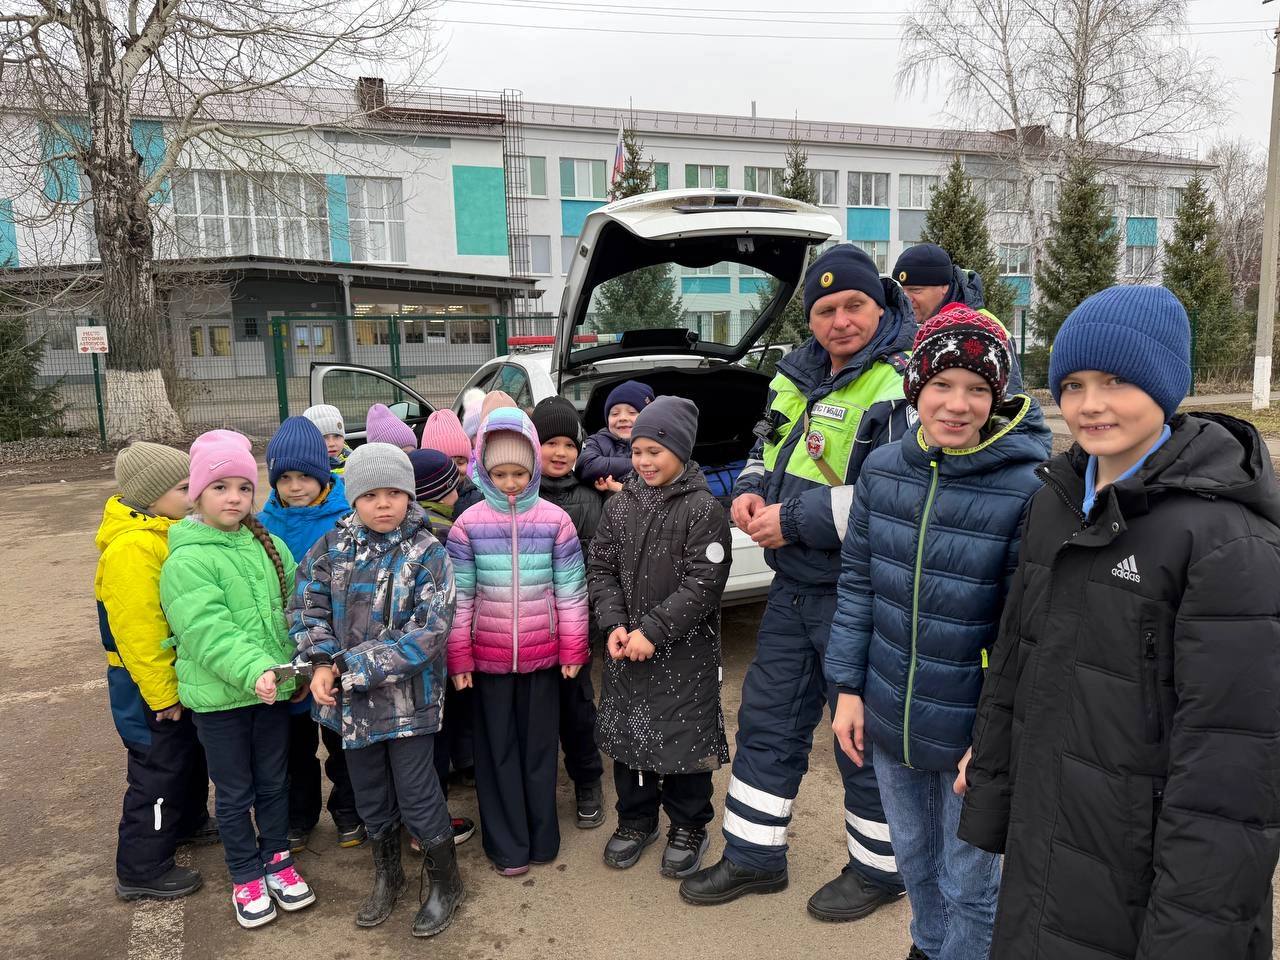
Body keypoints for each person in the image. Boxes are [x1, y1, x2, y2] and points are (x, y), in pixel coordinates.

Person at [960, 285, 1280, 959]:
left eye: (1116, 380)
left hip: (1145, 877)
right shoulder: (1054, 505)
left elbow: (1233, 764)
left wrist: (1193, 933)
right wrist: (992, 777)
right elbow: (1017, 656)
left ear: (1165, 384)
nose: (1090, 404)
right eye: (1072, 384)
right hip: (1049, 846)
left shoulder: (1226, 541)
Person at [680, 243, 909, 920]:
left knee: (858, 736)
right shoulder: (793, 375)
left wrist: (795, 517)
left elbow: (894, 497)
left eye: (854, 306)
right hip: (795, 585)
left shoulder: (899, 383)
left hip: (858, 591)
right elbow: (762, 447)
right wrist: (750, 493)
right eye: (826, 309)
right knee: (769, 720)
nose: (839, 321)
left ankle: (879, 870)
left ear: (880, 305)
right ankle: (754, 857)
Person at [826, 305, 1050, 960]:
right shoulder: (883, 472)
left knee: (971, 883)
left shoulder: (1027, 487)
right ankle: (928, 948)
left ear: (998, 394)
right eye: (942, 385)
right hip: (891, 717)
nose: (957, 404)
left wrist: (995, 738)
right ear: (914, 386)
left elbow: (1024, 631)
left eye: (978, 388)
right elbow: (859, 586)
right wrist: (847, 688)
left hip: (970, 738)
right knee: (916, 864)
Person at [291, 443, 464, 938]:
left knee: (417, 792)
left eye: (394, 493)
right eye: (371, 495)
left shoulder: (428, 552)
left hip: (409, 704)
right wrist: (320, 662)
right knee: (368, 793)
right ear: (352, 497)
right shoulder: (331, 547)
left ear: (410, 496)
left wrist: (350, 667)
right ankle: (387, 874)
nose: (383, 504)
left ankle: (444, 881)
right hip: (351, 708)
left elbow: (428, 633)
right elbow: (305, 609)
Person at [160, 430, 315, 930]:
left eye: (243, 488)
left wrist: (304, 655)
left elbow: (297, 603)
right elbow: (207, 631)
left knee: (274, 783)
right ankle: (245, 874)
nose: (234, 498)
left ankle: (277, 861)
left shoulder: (263, 543)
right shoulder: (186, 559)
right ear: (197, 494)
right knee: (234, 792)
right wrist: (256, 670)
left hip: (270, 692)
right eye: (220, 487)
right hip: (222, 700)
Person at [589, 396, 732, 878]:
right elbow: (601, 567)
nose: (645, 461)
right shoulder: (619, 505)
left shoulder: (703, 508)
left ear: (682, 451)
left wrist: (652, 630)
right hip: (626, 649)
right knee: (630, 736)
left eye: (656, 451)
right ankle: (635, 819)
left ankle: (689, 824)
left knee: (685, 741)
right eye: (637, 452)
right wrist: (613, 624)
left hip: (683, 654)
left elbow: (704, 583)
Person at [446, 406, 590, 875]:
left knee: (539, 751)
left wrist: (573, 648)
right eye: (500, 472)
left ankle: (542, 838)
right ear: (484, 470)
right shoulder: (468, 524)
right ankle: (508, 846)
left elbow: (571, 592)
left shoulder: (555, 522)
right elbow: (459, 598)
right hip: (486, 664)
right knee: (496, 753)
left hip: (544, 659)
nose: (510, 482)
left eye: (519, 472)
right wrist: (459, 656)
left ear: (532, 471)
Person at [97, 441, 216, 902]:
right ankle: (141, 866)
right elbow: (139, 633)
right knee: (157, 769)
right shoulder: (132, 548)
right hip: (144, 684)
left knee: (186, 754)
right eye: (185, 487)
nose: (194, 495)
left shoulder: (164, 531)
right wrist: (162, 693)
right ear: (150, 494)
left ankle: (187, 822)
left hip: (169, 675)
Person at [258, 417, 364, 852]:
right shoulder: (260, 524)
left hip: (336, 649)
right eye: (285, 477)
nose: (295, 486)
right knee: (292, 747)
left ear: (323, 474)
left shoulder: (346, 518)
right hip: (284, 651)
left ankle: (348, 811)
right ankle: (298, 818)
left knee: (341, 740)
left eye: (305, 476)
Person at [530, 396, 606, 829]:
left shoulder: (590, 497)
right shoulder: (520, 493)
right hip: (528, 629)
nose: (560, 453)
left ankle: (588, 779)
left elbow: (600, 566)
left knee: (578, 709)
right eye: (549, 442)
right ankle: (539, 790)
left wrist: (588, 624)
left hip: (576, 626)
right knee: (537, 714)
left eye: (569, 444)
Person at [576, 380, 654, 491]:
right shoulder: (596, 440)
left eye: (632, 412)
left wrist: (621, 486)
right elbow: (587, 466)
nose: (622, 418)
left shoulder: (658, 441)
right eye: (615, 413)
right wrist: (641, 466)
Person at [892, 243, 985, 325]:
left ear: (944, 287)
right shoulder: (897, 325)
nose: (906, 300)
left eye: (916, 290)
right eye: (902, 290)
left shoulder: (980, 327)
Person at [302, 404, 351, 474]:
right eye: (323, 437)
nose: (331, 444)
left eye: (337, 436)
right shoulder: (304, 470)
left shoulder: (354, 461)